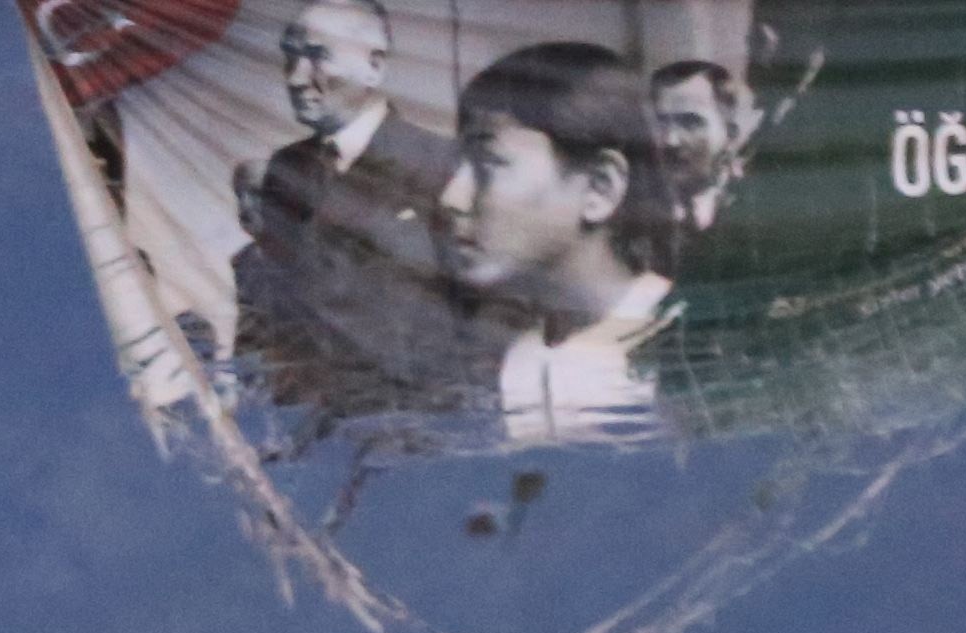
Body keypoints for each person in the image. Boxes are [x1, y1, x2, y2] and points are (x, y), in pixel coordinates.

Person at [232, 0, 476, 419]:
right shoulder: (286, 168)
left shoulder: (441, 163)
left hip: (411, 416)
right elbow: (276, 301)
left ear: (374, 66)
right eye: (289, 58)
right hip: (308, 420)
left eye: (316, 57)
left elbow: (478, 315)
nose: (295, 78)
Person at [441, 40, 677, 449]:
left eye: (488, 164)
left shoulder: (685, 340)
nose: (451, 197)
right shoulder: (521, 359)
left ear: (600, 187)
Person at [649, 58, 754, 247]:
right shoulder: (636, 215)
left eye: (690, 123)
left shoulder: (756, 206)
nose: (671, 140)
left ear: (729, 133)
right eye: (662, 123)